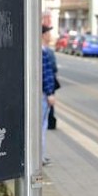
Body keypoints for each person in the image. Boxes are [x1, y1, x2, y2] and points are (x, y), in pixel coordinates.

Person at [41, 24, 56, 165]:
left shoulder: (44, 51)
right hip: (44, 94)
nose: (50, 35)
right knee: (41, 125)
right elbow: (45, 74)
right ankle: (40, 156)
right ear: (43, 35)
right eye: (48, 33)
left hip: (44, 93)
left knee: (42, 125)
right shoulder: (42, 52)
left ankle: (41, 154)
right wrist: (50, 93)